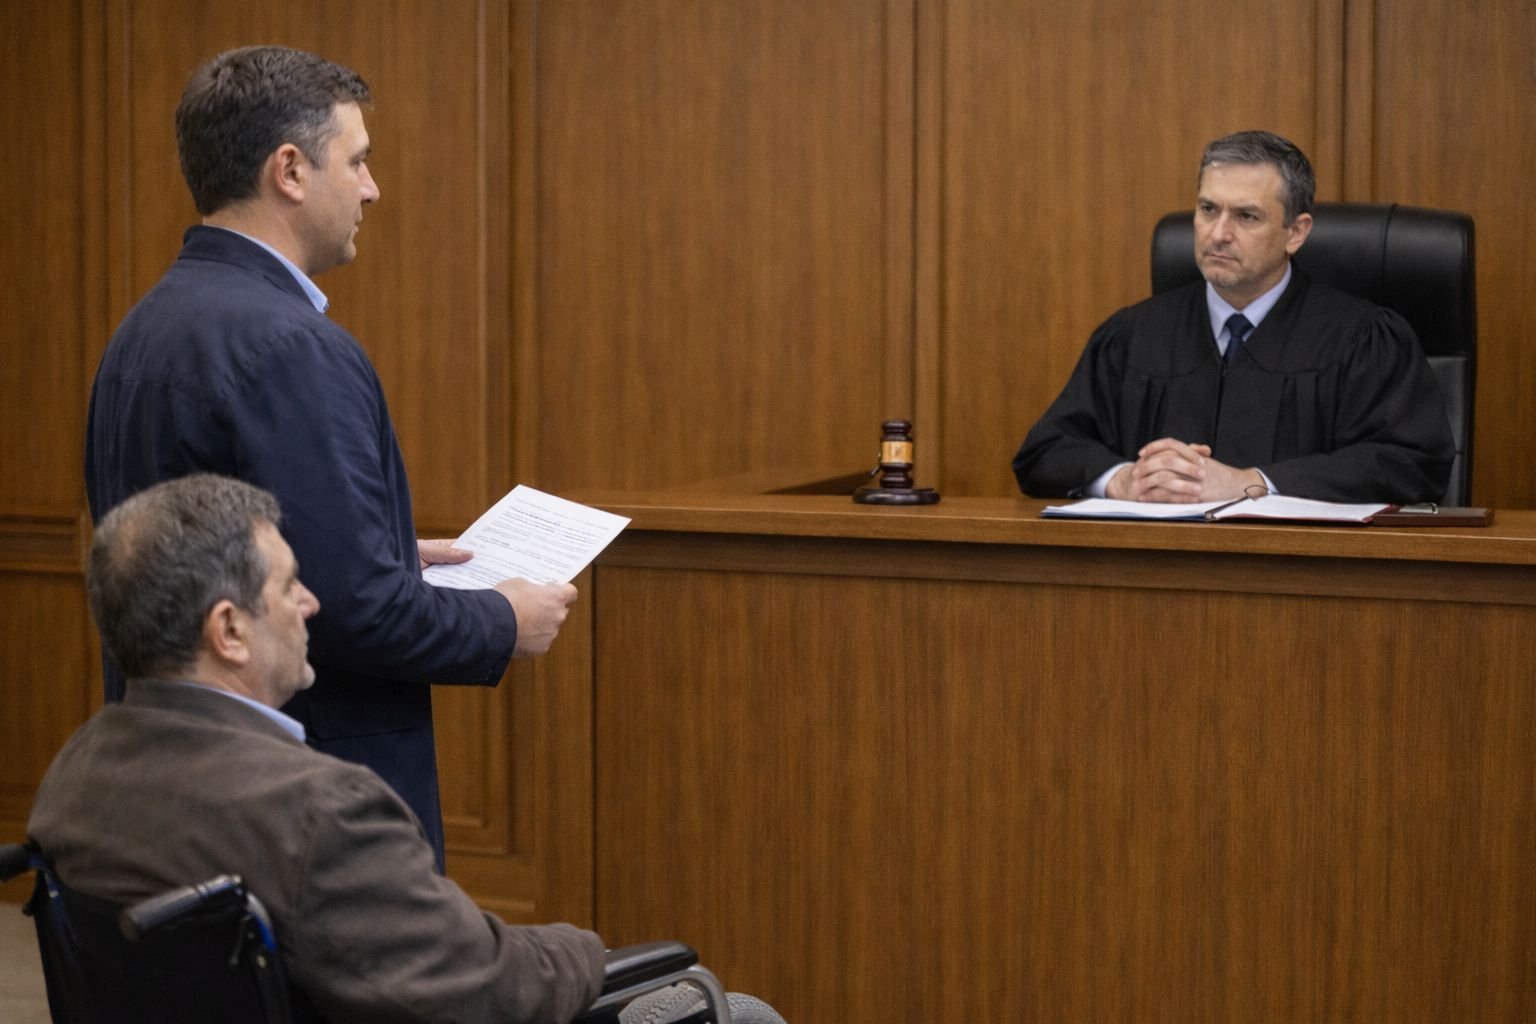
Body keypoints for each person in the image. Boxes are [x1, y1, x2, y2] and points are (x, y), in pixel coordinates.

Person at [84, 45, 575, 863]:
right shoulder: (292, 347)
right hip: (306, 813)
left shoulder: (143, 328)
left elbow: (220, 556)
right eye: (357, 160)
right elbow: (355, 613)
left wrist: (378, 549)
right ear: (290, 170)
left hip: (180, 792)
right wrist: (503, 620)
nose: (371, 188)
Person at [28, 474, 604, 1023]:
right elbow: (484, 990)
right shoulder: (322, 811)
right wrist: (587, 951)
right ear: (229, 631)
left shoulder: (75, 772)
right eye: (289, 585)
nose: (311, 603)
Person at [1012, 130, 1454, 504]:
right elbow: (1045, 452)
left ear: (1296, 232)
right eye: (1208, 210)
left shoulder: (1362, 340)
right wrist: (1122, 480)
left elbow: (1411, 464)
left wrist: (1254, 483)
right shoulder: (1132, 336)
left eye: (1246, 216)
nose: (1219, 234)